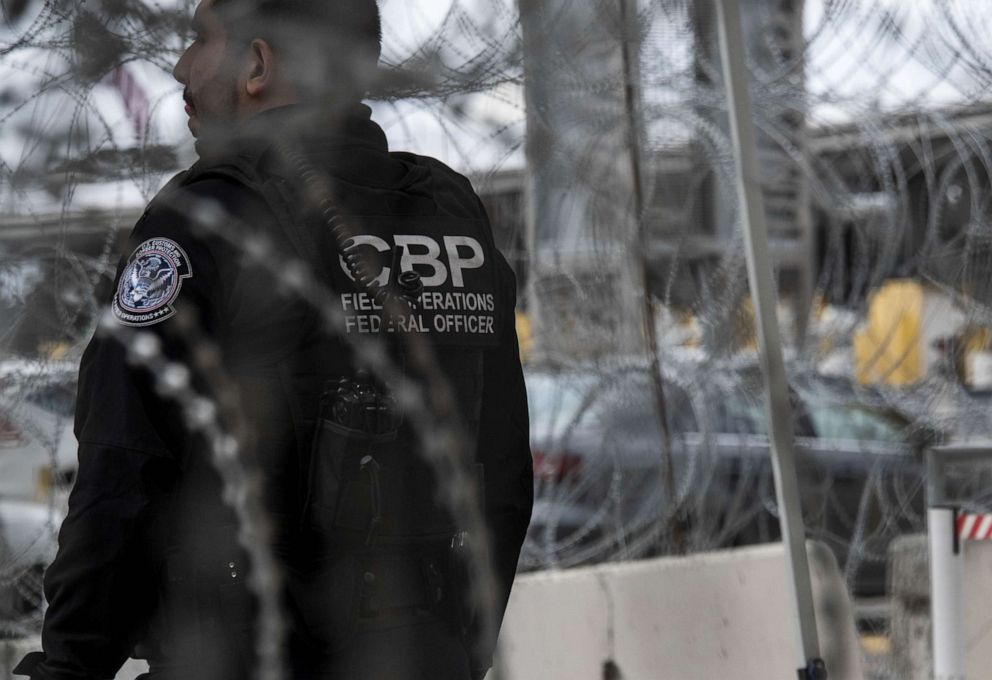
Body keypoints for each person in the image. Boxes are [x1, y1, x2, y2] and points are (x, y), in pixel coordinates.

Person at [14, 0, 533, 678]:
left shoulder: (211, 215)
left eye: (201, 40)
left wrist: (67, 666)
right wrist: (460, 651)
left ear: (257, 64)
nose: (181, 67)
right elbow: (502, 476)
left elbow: (123, 476)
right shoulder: (446, 213)